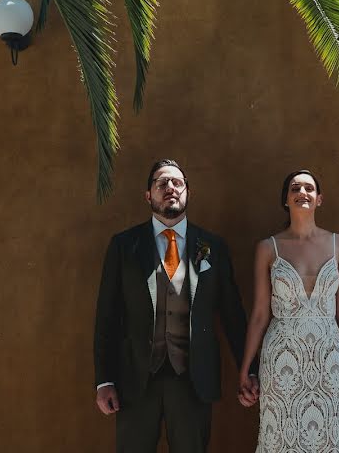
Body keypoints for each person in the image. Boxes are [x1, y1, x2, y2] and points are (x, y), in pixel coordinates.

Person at [93, 159, 258, 453]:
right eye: (161, 183)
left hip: (193, 380)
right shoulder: (123, 245)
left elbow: (233, 316)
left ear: (188, 193)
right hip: (136, 380)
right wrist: (104, 380)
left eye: (177, 183)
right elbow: (107, 317)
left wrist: (251, 370)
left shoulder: (212, 247)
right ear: (148, 196)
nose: (170, 188)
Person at [238, 170, 339, 452]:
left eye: (309, 188)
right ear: (286, 199)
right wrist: (246, 368)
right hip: (283, 361)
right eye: (295, 188)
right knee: (280, 438)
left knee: (330, 438)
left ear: (319, 199)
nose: (302, 192)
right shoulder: (267, 248)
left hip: (329, 359)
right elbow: (260, 313)